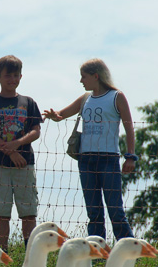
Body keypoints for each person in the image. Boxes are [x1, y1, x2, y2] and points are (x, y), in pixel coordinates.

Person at [43, 58, 136, 240]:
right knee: (94, 212)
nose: (81, 81)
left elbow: (129, 127)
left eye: (83, 77)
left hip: (109, 159)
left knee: (115, 210)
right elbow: (61, 115)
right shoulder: (85, 98)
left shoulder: (117, 97)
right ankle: (96, 252)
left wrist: (130, 156)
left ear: (96, 76)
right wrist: (54, 116)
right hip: (86, 160)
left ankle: (128, 248)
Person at [0, 55, 42, 252]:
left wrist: (17, 144)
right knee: (1, 212)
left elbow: (36, 130)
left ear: (21, 76)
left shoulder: (28, 102)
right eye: (7, 75)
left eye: (15, 75)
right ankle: (2, 251)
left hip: (25, 164)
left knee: (28, 211)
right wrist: (11, 152)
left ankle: (30, 252)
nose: (12, 79)